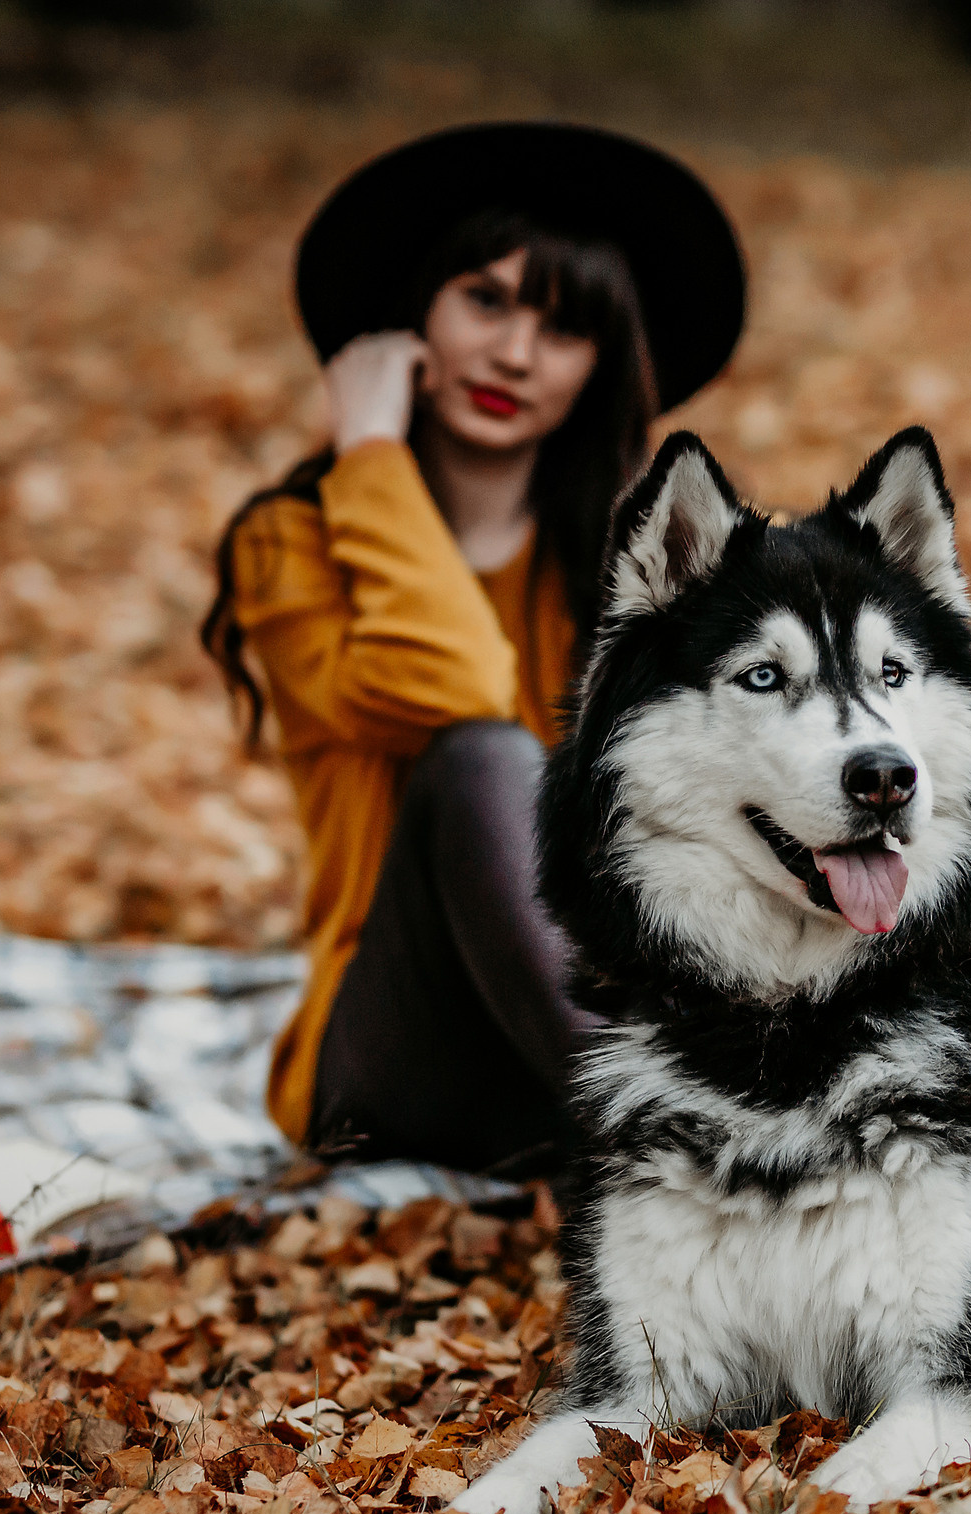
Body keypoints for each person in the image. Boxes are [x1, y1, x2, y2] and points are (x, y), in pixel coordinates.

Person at [200, 123, 746, 1176]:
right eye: (485, 301)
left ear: (600, 367)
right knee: (484, 758)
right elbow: (453, 687)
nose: (514, 354)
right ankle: (683, 1162)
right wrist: (368, 454)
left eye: (564, 328)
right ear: (416, 319)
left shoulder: (626, 568)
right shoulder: (292, 545)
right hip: (391, 1063)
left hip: (583, 1032)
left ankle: (691, 1129)